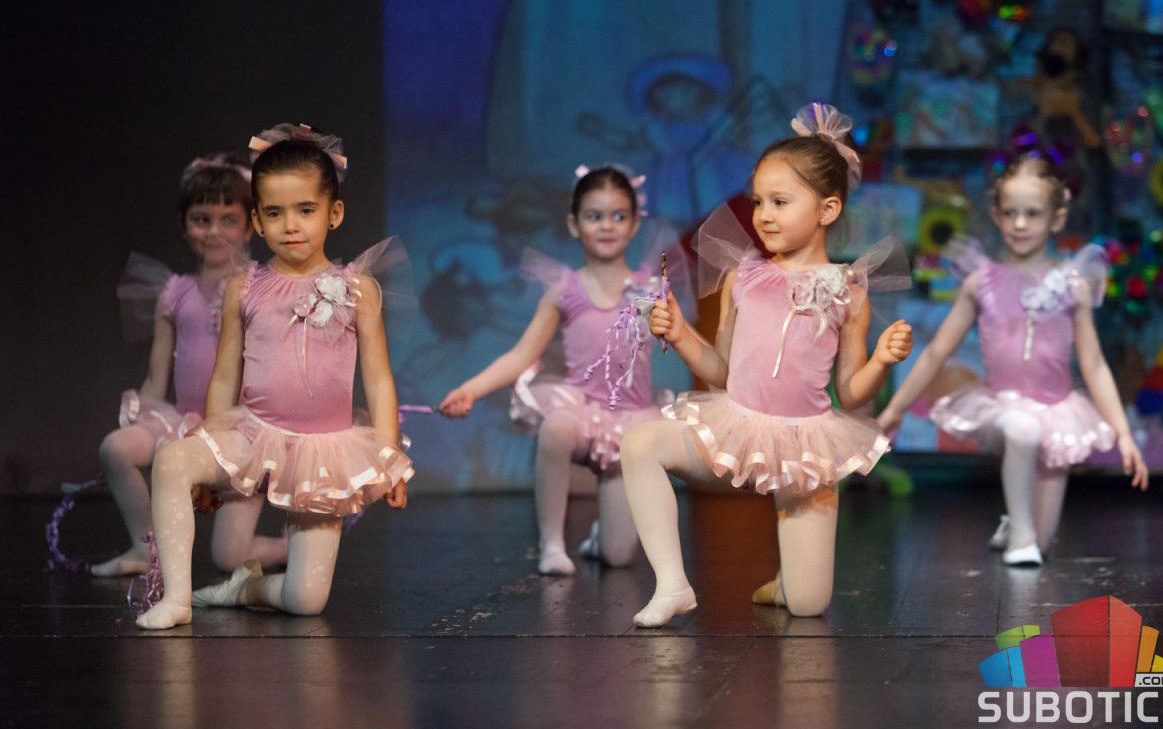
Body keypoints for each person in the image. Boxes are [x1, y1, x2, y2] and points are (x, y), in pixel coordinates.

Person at [620, 103, 913, 627]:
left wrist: (882, 360)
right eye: (758, 201)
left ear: (827, 210)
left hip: (806, 445)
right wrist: (680, 332)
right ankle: (672, 585)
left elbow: (852, 392)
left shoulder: (848, 290)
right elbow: (721, 371)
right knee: (641, 443)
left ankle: (786, 583)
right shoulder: (744, 277)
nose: (763, 215)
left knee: (807, 604)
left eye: (780, 202)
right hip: (737, 426)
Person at [135, 124, 413, 630]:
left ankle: (245, 587)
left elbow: (378, 379)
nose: (291, 225)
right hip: (252, 432)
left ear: (334, 213)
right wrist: (211, 446)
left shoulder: (357, 289)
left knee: (306, 600)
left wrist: (390, 457)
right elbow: (225, 377)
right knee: (173, 460)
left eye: (305, 210)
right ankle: (176, 597)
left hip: (322, 450)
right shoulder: (244, 287)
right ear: (258, 222)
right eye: (275, 213)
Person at [878, 156, 1148, 567]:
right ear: (996, 215)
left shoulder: (1073, 285)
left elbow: (1093, 363)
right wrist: (895, 410)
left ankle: (1017, 526)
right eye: (1010, 213)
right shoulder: (981, 282)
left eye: (1033, 214)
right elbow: (937, 351)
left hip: (1058, 412)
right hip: (1003, 408)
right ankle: (1020, 534)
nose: (1020, 224)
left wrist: (1123, 432)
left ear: (1057, 218)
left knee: (1044, 540)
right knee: (1022, 428)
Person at [440, 166, 672, 576]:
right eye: (594, 216)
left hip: (630, 421)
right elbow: (521, 354)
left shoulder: (650, 291)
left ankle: (601, 540)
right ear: (574, 223)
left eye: (618, 216)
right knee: (556, 427)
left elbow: (685, 341)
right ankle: (552, 543)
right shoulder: (565, 289)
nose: (607, 226)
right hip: (582, 411)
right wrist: (470, 389)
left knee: (619, 556)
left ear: (635, 224)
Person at [93, 152, 287, 578]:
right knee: (116, 448)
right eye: (201, 220)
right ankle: (146, 547)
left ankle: (284, 548)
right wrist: (141, 419)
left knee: (230, 558)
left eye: (227, 220)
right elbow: (157, 375)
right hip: (185, 422)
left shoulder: (259, 290)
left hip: (240, 432)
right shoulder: (174, 293)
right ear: (183, 224)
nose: (213, 231)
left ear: (250, 225)